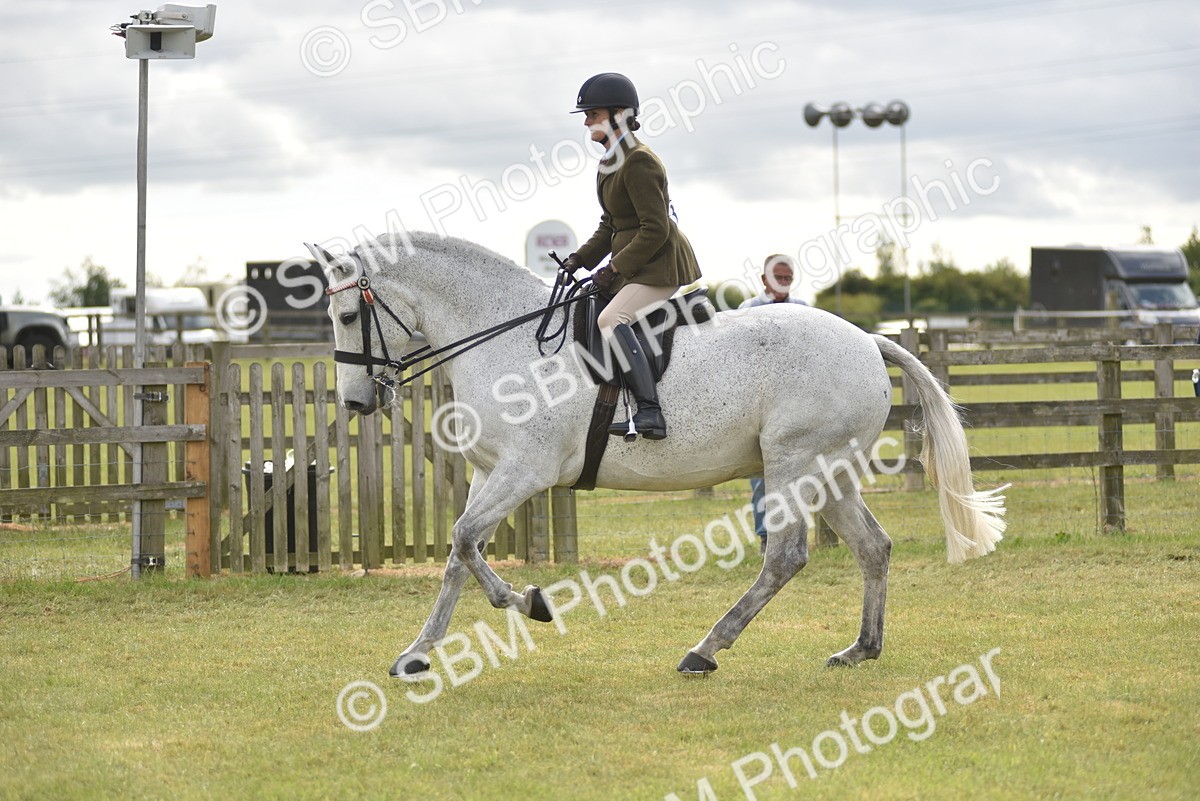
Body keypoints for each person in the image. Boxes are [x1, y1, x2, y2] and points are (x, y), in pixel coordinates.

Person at [561, 72, 702, 441]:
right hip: (635, 264)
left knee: (611, 318)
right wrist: (579, 259)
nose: (587, 119)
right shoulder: (611, 160)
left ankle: (650, 412)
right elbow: (610, 225)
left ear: (619, 114)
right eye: (586, 113)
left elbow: (655, 229)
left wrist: (615, 268)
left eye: (593, 112)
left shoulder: (639, 161)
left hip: (659, 264)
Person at [738, 254, 807, 551]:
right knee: (761, 474)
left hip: (797, 403)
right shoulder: (748, 310)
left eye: (788, 275)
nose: (783, 280)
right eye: (777, 275)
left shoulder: (803, 311)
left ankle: (795, 538)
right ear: (764, 279)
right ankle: (767, 538)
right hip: (760, 405)